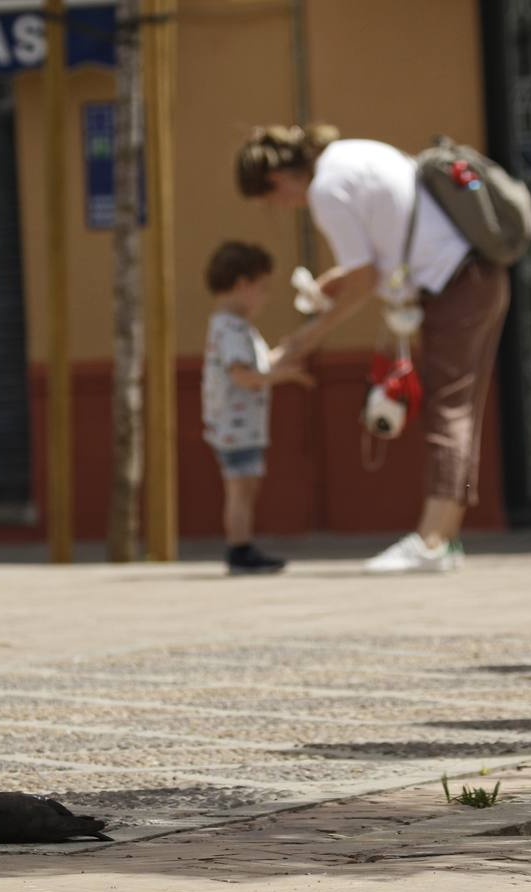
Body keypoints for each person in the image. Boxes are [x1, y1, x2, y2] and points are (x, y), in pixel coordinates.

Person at [235, 125, 511, 574]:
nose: (279, 207)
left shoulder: (326, 190)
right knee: (461, 408)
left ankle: (432, 540)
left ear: (278, 179)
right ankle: (446, 534)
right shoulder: (351, 155)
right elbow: (389, 244)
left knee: (450, 410)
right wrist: (339, 282)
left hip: (454, 286)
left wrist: (301, 342)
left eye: (270, 199)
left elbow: (365, 282)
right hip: (478, 276)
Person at [201, 241, 313, 575]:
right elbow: (243, 375)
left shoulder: (234, 328)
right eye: (262, 289)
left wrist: (286, 354)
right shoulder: (231, 328)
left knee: (245, 487)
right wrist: (284, 376)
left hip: (241, 425)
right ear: (242, 284)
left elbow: (256, 365)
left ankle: (242, 544)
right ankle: (240, 548)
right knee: (240, 490)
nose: (265, 297)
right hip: (235, 426)